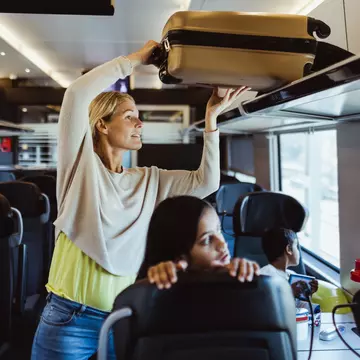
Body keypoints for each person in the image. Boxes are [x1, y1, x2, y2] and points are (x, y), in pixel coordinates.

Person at [31, 40, 249, 360]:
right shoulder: (81, 170)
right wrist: (135, 60)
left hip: (124, 315)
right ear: (102, 124)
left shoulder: (150, 181)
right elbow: (76, 95)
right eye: (130, 116)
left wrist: (212, 116)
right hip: (69, 319)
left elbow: (207, 182)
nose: (140, 123)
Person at [138, 195, 260, 288]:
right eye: (207, 240)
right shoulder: (155, 293)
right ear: (178, 258)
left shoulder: (234, 279)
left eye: (219, 230)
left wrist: (245, 277)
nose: (223, 244)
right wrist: (158, 278)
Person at [260, 228, 318, 299]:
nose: (298, 251)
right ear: (289, 249)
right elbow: (265, 302)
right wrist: (290, 291)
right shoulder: (265, 275)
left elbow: (298, 304)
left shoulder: (291, 274)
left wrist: (308, 293)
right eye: (296, 247)